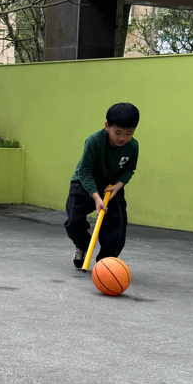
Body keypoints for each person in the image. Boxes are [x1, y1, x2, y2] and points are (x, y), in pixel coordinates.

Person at [64, 102, 140, 269]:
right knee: (74, 221)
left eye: (129, 133)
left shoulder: (133, 146)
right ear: (107, 126)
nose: (123, 138)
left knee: (117, 225)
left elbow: (129, 170)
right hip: (83, 183)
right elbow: (85, 172)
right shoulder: (94, 141)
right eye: (118, 132)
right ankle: (82, 245)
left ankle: (105, 263)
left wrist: (119, 185)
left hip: (111, 187)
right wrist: (96, 198)